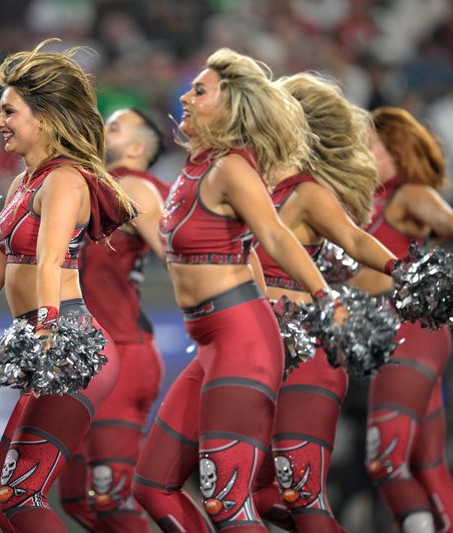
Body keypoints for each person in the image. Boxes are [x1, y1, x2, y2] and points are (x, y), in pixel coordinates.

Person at [130, 49, 342, 533]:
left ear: (232, 107)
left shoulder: (232, 168)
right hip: (211, 342)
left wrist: (325, 296)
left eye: (200, 91)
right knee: (151, 484)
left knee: (227, 501)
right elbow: (244, 251)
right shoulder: (195, 168)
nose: (185, 96)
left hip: (239, 339)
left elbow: (274, 237)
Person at [0, 40, 135, 532]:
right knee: (1, 499)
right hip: (44, 339)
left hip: (67, 340)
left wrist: (47, 331)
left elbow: (50, 258)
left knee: (22, 497)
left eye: (9, 111)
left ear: (45, 117)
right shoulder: (24, 182)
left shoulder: (66, 179)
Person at [249, 73, 397, 533]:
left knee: (302, 496)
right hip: (254, 351)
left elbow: (357, 247)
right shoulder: (247, 179)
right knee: (249, 489)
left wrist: (403, 274)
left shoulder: (309, 192)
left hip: (302, 352)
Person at [351, 107, 453, 533]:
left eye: (371, 145)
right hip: (398, 335)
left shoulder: (408, 194)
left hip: (408, 331)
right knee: (428, 465)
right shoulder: (367, 198)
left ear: (397, 153)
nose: (361, 152)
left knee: (385, 461)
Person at [58, 107, 170, 532]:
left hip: (122, 352)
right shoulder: (96, 186)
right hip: (88, 359)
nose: (103, 130)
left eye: (116, 126)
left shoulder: (134, 185)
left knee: (110, 497)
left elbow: (178, 257)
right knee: (77, 499)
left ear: (138, 147)